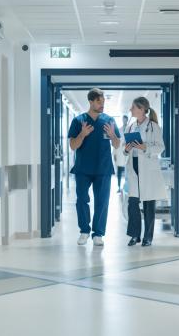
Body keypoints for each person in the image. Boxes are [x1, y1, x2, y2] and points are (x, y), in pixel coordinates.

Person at [68, 88, 121, 246]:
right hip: (83, 168)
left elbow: (117, 144)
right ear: (91, 101)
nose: (102, 104)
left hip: (103, 168)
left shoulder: (109, 120)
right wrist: (82, 134)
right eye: (99, 101)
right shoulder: (79, 121)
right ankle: (84, 231)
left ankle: (98, 234)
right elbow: (73, 145)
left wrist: (112, 135)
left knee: (102, 201)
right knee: (82, 200)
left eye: (103, 101)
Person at [124, 97, 167, 247]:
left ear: (141, 109)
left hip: (148, 168)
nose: (131, 109)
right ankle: (134, 235)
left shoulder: (153, 126)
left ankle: (147, 237)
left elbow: (160, 147)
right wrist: (126, 149)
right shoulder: (130, 126)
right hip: (134, 167)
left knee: (149, 204)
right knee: (133, 203)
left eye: (133, 107)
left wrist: (145, 148)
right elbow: (125, 147)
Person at [114, 115, 129, 192]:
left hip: (127, 154)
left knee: (127, 173)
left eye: (125, 120)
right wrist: (114, 154)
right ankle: (119, 187)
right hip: (119, 153)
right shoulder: (119, 130)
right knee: (119, 172)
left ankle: (126, 188)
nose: (124, 121)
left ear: (127, 120)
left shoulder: (130, 130)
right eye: (123, 120)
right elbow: (115, 142)